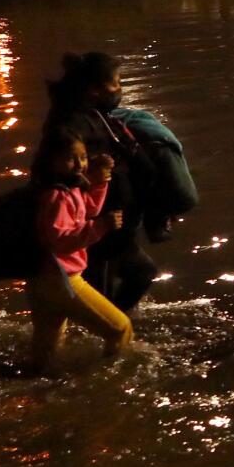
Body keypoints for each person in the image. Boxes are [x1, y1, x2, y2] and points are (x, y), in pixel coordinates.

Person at [44, 53, 164, 313]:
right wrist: (90, 181)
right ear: (93, 89)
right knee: (106, 288)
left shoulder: (97, 117)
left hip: (117, 225)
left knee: (141, 274)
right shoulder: (71, 124)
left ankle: (113, 327)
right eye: (116, 84)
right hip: (100, 230)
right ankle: (107, 336)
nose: (119, 90)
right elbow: (53, 170)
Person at [26, 130, 135, 372]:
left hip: (41, 279)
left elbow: (86, 210)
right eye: (70, 158)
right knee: (120, 329)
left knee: (45, 356)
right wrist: (101, 226)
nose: (79, 164)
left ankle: (34, 392)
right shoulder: (56, 196)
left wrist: (100, 182)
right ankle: (108, 383)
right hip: (61, 280)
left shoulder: (65, 189)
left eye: (83, 157)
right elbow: (61, 240)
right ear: (51, 161)